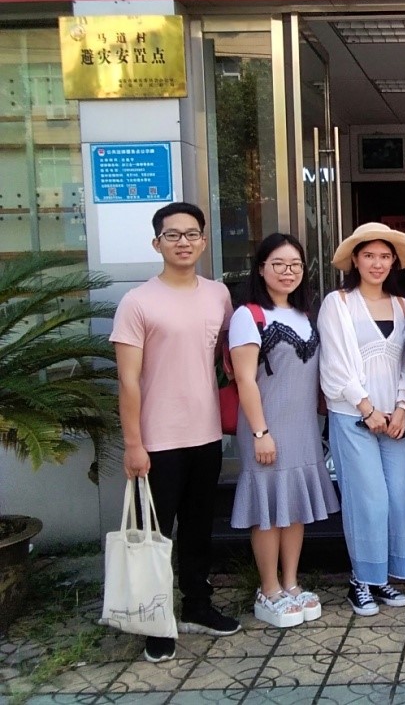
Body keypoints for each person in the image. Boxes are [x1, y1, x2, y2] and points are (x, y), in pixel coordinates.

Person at [111, 201, 241, 663]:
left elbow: (230, 357)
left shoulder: (218, 295)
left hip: (205, 434)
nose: (183, 242)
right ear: (157, 243)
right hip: (157, 440)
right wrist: (133, 444)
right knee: (155, 534)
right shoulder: (137, 302)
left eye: (191, 234)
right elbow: (127, 380)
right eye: (173, 235)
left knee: (199, 528)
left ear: (204, 241)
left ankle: (198, 605)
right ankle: (154, 618)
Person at [228, 233, 340, 628]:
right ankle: (268, 588)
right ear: (261, 268)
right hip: (266, 426)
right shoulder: (248, 316)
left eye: (295, 264)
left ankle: (291, 583)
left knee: (294, 508)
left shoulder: (305, 315)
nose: (287, 271)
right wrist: (261, 433)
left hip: (303, 427)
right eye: (278, 264)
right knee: (268, 509)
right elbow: (245, 380)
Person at [318, 222, 405, 617]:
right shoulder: (338, 303)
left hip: (395, 420)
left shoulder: (404, 307)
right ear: (355, 261)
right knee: (368, 499)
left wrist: (402, 407)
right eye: (369, 255)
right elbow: (334, 364)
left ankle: (383, 577)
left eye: (384, 256)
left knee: (398, 499)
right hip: (353, 417)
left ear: (394, 262)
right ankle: (360, 580)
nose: (377, 263)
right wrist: (366, 408)